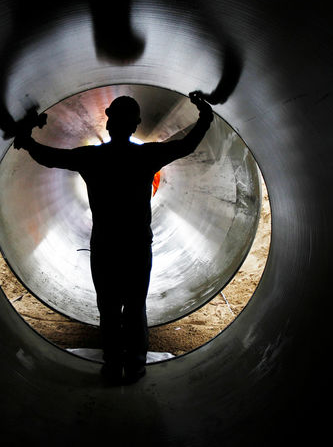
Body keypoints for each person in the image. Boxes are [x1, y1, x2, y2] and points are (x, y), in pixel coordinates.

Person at [13, 91, 214, 384]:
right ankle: (135, 365)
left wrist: (27, 138)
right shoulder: (147, 155)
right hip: (136, 245)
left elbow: (48, 157)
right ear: (135, 126)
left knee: (107, 306)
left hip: (105, 244)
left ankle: (111, 364)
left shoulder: (91, 158)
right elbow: (187, 144)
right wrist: (204, 116)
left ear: (108, 124)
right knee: (135, 305)